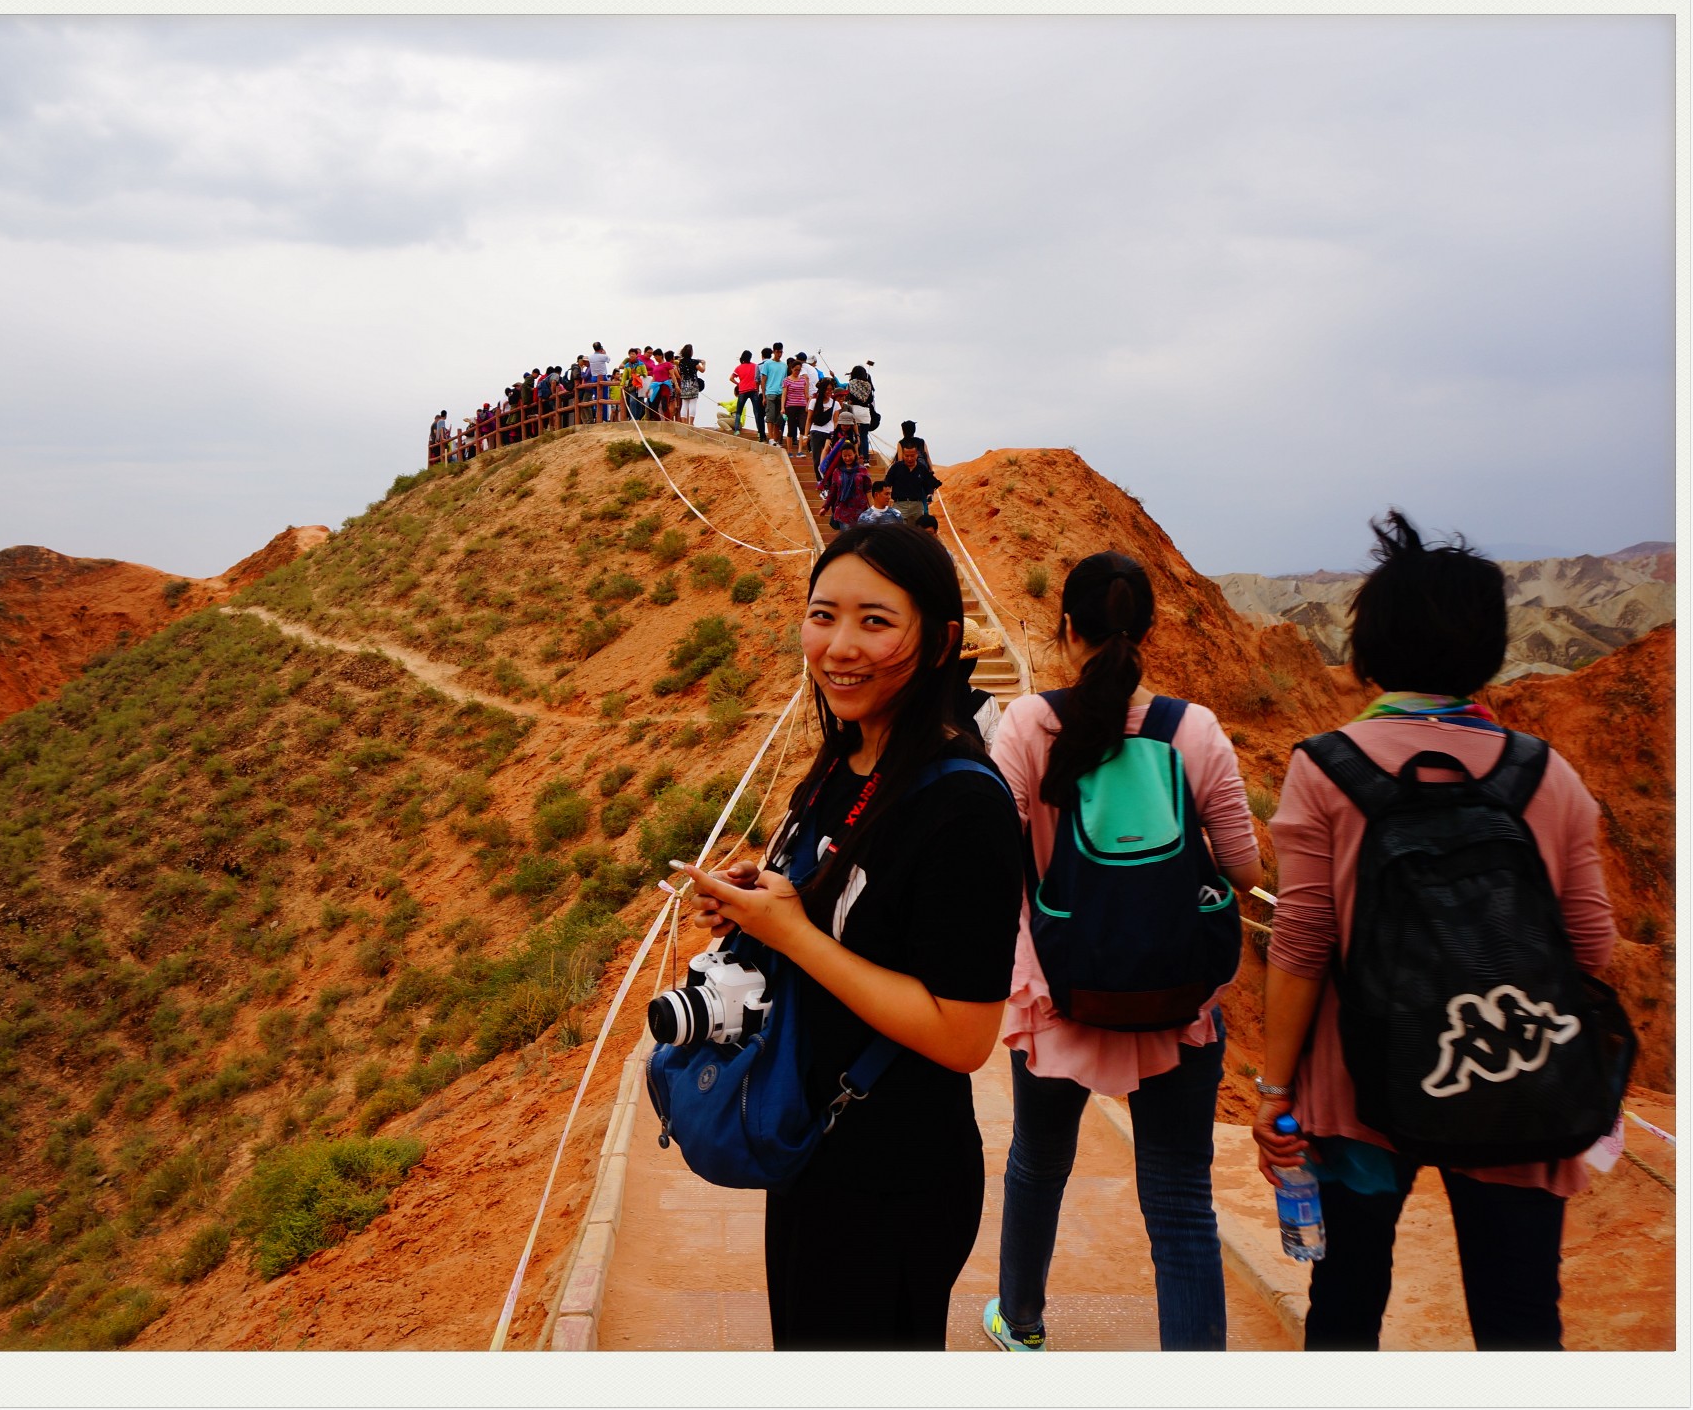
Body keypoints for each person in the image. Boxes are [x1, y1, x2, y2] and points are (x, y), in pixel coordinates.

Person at [1251, 511, 1617, 1351]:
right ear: (1484, 653)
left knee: (1345, 1306)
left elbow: (1302, 944)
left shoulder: (1325, 766)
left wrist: (1277, 1095)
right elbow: (1591, 945)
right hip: (1518, 1085)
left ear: (1368, 648)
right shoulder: (1546, 772)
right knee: (1520, 1320)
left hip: (1358, 1097)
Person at [679, 522, 1022, 1349]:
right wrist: (761, 905)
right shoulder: (846, 759)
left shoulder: (963, 805)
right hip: (813, 1143)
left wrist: (794, 935)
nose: (840, 646)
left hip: (894, 1173)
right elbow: (839, 921)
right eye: (822, 614)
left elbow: (965, 1034)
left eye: (876, 621)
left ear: (940, 641)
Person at [984, 551, 1265, 1353]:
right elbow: (1245, 867)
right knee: (1180, 1201)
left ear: (1065, 628)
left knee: (1038, 1162)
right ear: (1147, 632)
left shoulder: (1027, 726)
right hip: (1176, 1001)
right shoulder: (1194, 730)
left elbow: (994, 851)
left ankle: (1022, 1322)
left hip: (1058, 989)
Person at [887, 440, 939, 524]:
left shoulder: (922, 468)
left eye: (912, 455)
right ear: (903, 455)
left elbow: (929, 484)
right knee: (900, 532)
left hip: (917, 505)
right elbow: (887, 482)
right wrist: (888, 496)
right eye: (907, 456)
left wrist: (930, 493)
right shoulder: (896, 467)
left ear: (917, 455)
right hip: (899, 505)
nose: (909, 458)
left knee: (917, 531)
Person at [823, 442, 871, 531]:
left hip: (861, 510)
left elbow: (868, 490)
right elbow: (833, 491)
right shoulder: (837, 472)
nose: (847, 458)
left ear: (855, 454)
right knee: (848, 540)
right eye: (845, 456)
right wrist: (825, 507)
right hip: (843, 512)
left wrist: (872, 508)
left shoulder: (862, 470)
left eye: (850, 455)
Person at [760, 343, 789, 446]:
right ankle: (771, 438)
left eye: (781, 352)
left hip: (780, 393)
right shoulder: (767, 364)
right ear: (774, 351)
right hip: (770, 392)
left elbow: (785, 381)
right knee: (770, 416)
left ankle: (775, 440)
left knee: (778, 418)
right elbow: (763, 380)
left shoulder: (784, 365)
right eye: (777, 352)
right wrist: (763, 396)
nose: (779, 354)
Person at [781, 358, 810, 457]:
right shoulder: (787, 380)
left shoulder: (803, 380)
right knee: (791, 429)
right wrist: (782, 407)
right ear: (792, 369)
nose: (797, 372)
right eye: (796, 370)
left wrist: (808, 405)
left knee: (802, 427)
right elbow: (784, 395)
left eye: (799, 370)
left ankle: (800, 451)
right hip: (791, 406)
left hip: (802, 406)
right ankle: (789, 451)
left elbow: (806, 394)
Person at [732, 349, 761, 437]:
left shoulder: (739, 367)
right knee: (756, 412)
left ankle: (736, 430)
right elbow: (758, 378)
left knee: (738, 412)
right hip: (753, 390)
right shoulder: (756, 366)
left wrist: (738, 384)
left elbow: (731, 378)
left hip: (742, 391)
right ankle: (760, 431)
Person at [675, 344, 705, 425]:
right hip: (693, 384)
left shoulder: (680, 362)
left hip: (684, 384)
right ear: (691, 352)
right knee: (693, 403)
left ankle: (684, 423)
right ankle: (691, 423)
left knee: (684, 404)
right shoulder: (694, 362)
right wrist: (704, 363)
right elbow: (702, 370)